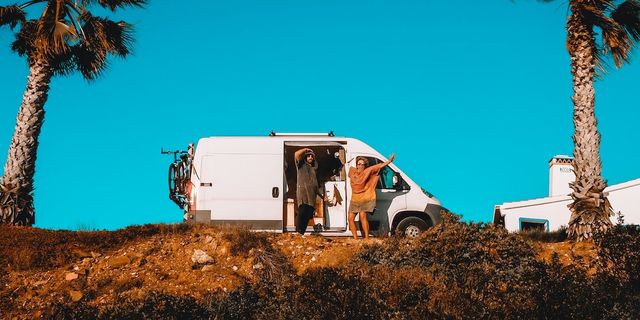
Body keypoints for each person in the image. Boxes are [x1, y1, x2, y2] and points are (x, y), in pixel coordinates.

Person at [348, 154, 395, 239]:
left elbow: (379, 166)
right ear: (356, 165)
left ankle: (366, 238)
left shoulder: (367, 171)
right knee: (350, 218)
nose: (360, 165)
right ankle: (355, 239)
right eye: (359, 164)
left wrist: (389, 161)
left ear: (365, 166)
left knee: (363, 216)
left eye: (362, 164)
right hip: (354, 198)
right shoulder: (352, 171)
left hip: (365, 197)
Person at [294, 147, 321, 235]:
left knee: (308, 215)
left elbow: (316, 186)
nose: (310, 157)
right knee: (302, 212)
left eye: (311, 156)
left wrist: (322, 196)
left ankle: (301, 233)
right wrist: (306, 149)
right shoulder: (301, 165)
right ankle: (298, 232)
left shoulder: (314, 170)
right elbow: (296, 155)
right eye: (308, 156)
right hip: (303, 194)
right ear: (305, 158)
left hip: (312, 196)